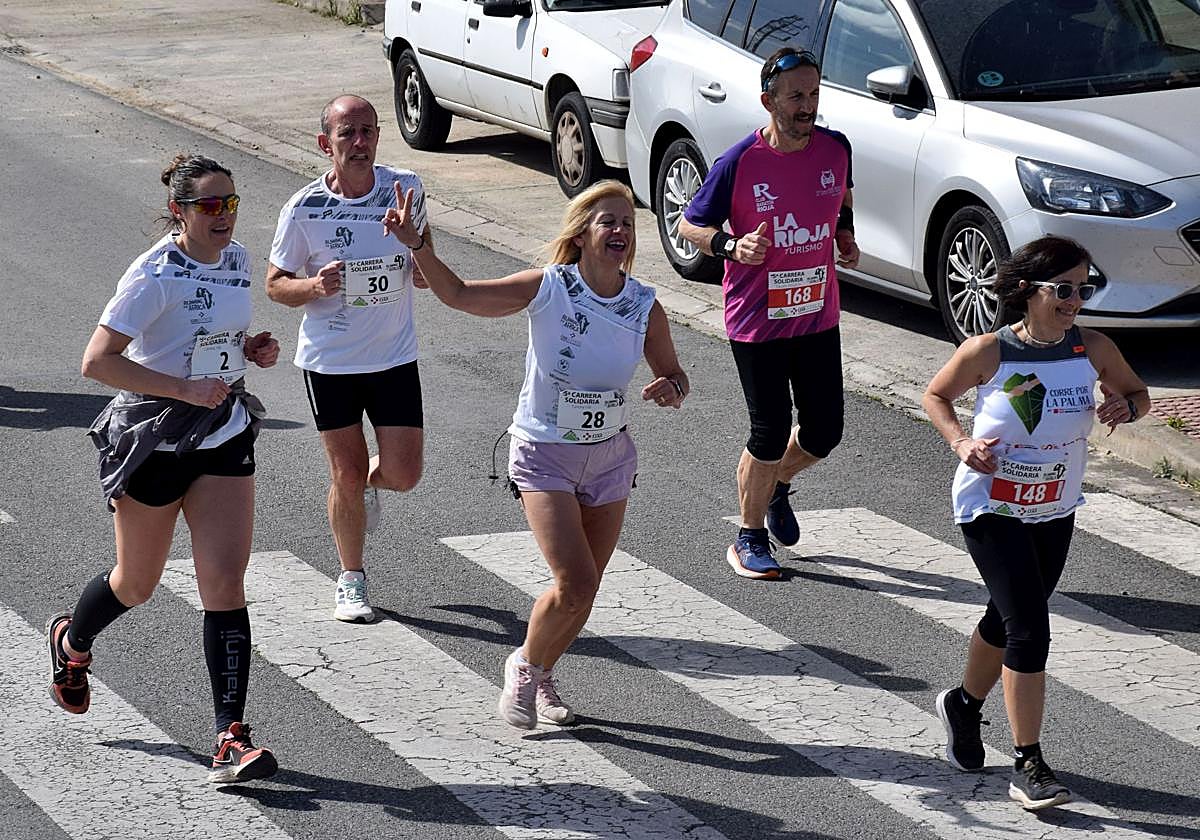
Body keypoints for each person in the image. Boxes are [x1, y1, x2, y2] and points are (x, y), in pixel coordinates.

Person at [383, 178, 689, 729]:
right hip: (544, 451)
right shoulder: (550, 287)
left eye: (627, 223)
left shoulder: (645, 304)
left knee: (584, 591)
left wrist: (670, 387)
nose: (620, 230)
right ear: (582, 234)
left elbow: (673, 374)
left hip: (611, 456)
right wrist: (417, 244)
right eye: (608, 221)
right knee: (574, 583)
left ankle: (542, 669)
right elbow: (459, 295)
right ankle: (524, 666)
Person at [50, 153, 282, 784]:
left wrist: (250, 347)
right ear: (179, 211)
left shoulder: (235, 259)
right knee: (137, 583)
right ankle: (73, 642)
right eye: (210, 206)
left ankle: (230, 735)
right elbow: (97, 362)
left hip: (223, 434)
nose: (224, 217)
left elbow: (214, 335)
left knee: (224, 585)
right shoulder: (154, 273)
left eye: (231, 203)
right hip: (154, 439)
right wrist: (183, 390)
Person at [922, 235, 1149, 810]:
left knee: (1007, 616)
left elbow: (1137, 393)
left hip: (1054, 506)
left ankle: (964, 705)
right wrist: (961, 441)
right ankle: (1029, 762)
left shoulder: (1092, 348)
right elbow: (936, 396)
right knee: (1030, 629)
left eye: (1084, 288)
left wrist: (1127, 406)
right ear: (1028, 291)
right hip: (991, 507)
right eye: (1065, 289)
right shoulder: (988, 352)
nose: (1076, 300)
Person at [678, 47, 860, 580]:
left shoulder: (835, 148)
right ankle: (748, 536)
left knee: (825, 431)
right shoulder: (739, 162)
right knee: (770, 428)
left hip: (817, 313)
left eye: (814, 93)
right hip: (757, 318)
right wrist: (731, 246)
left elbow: (841, 199)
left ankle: (777, 482)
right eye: (796, 96)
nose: (808, 106)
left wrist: (844, 235)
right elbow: (690, 225)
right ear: (768, 101)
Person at [267, 94, 430, 623]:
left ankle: (357, 497)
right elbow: (275, 286)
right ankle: (351, 579)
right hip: (331, 362)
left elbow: (426, 268)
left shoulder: (405, 187)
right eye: (347, 134)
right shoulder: (304, 209)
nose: (360, 143)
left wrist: (417, 249)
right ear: (325, 144)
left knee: (404, 474)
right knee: (347, 469)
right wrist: (314, 285)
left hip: (393, 356)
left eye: (368, 131)